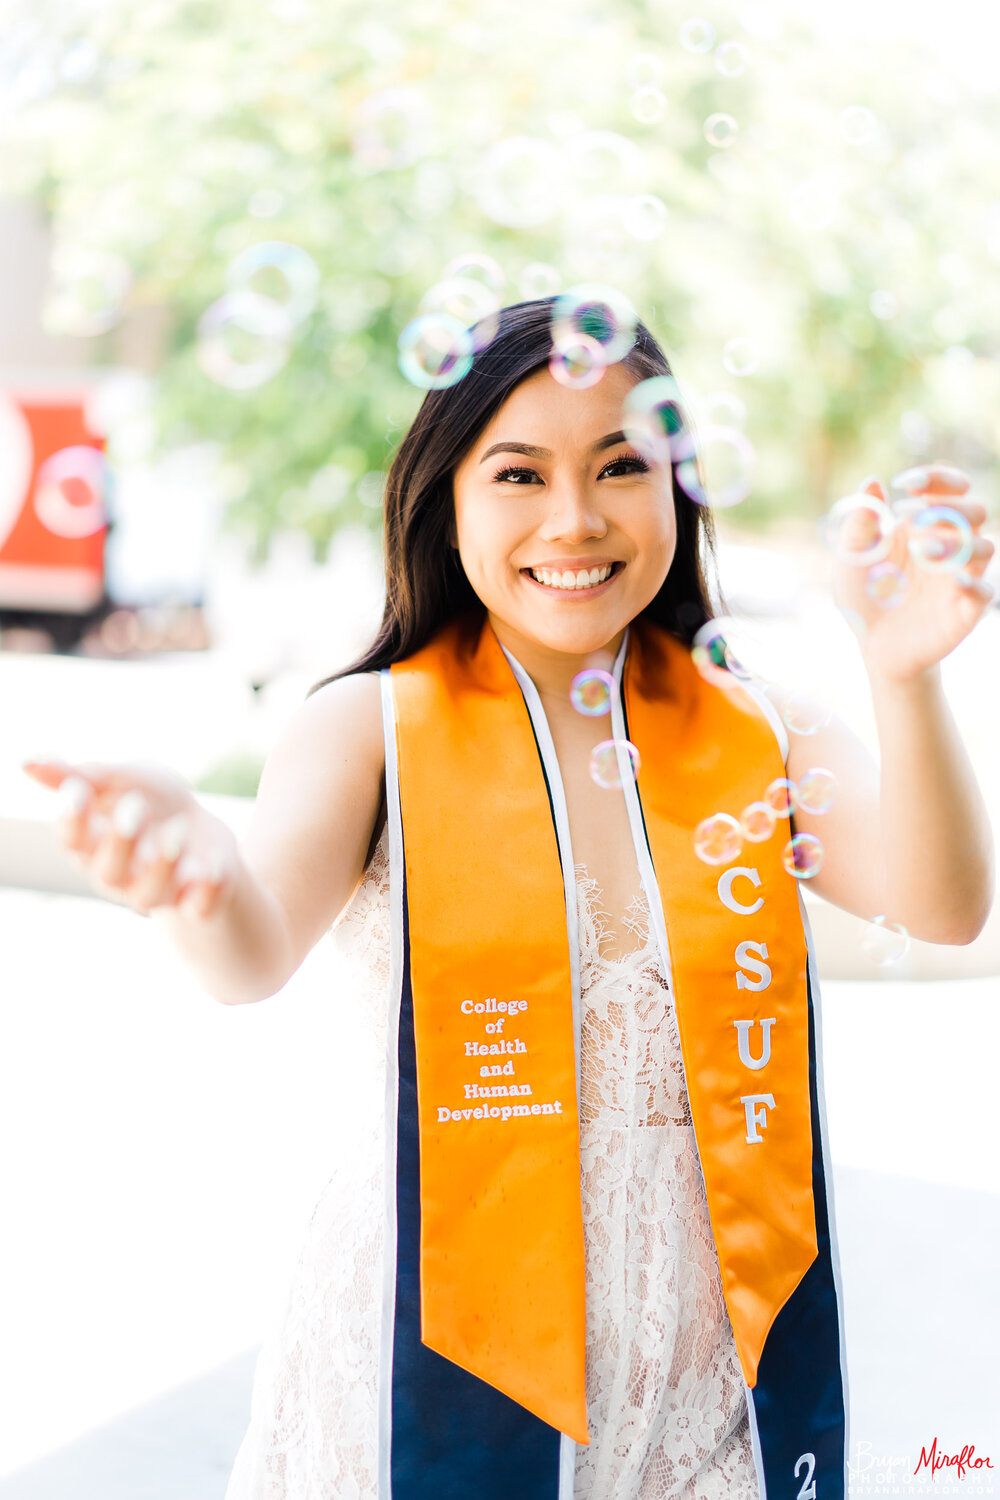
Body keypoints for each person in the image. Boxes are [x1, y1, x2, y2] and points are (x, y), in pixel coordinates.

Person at [21, 298, 995, 1500]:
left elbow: (941, 908)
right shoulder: (370, 726)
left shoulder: (759, 727)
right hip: (437, 1345)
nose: (574, 520)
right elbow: (249, 955)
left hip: (706, 1374)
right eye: (519, 474)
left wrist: (904, 678)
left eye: (621, 466)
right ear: (447, 500)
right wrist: (193, 875)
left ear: (678, 489)